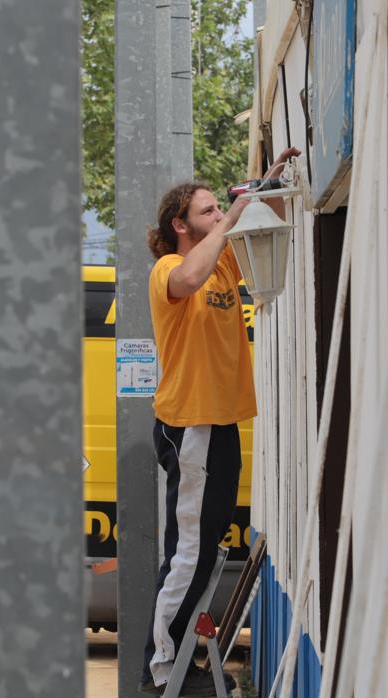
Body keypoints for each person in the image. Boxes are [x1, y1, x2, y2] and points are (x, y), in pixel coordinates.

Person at [139, 149, 300, 696]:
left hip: (221, 422)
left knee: (205, 547)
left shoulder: (224, 262)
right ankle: (162, 669)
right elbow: (189, 275)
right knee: (189, 550)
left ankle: (185, 655)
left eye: (217, 209)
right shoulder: (168, 269)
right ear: (180, 226)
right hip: (191, 426)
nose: (218, 217)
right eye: (207, 212)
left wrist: (269, 185)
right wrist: (231, 220)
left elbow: (267, 226)